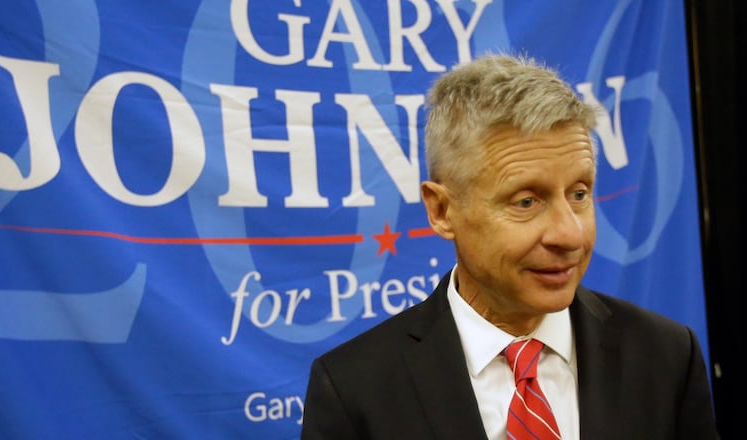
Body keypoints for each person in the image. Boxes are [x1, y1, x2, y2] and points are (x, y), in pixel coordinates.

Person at [300, 53, 718, 439]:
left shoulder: (667, 356)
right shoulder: (353, 390)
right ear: (443, 210)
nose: (569, 235)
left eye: (579, 193)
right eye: (526, 201)